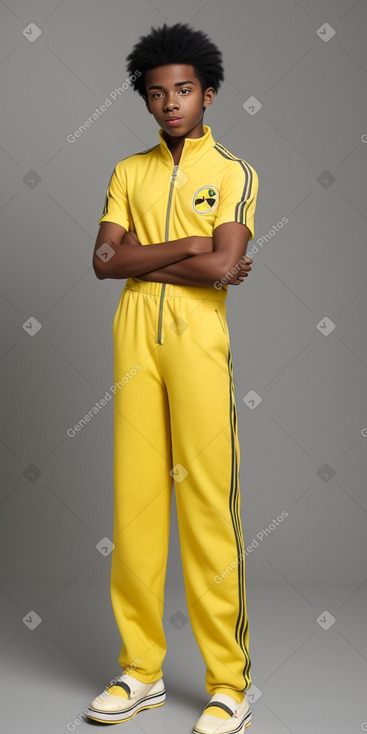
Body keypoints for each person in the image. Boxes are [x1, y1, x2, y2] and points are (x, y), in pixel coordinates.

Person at [86, 21, 259, 734]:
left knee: (208, 512)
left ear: (207, 95)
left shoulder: (234, 173)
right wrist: (191, 243)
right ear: (146, 102)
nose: (170, 104)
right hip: (134, 342)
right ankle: (140, 671)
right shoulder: (128, 172)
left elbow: (224, 271)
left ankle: (228, 682)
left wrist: (149, 255)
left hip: (196, 344)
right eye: (157, 95)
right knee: (135, 510)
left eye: (183, 90)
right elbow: (101, 263)